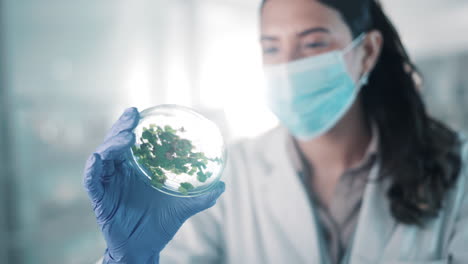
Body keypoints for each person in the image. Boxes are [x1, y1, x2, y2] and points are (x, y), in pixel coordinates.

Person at [84, 0, 468, 263]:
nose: (287, 68)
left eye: (313, 43)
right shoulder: (225, 180)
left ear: (366, 52)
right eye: (271, 48)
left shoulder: (459, 170)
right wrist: (131, 258)